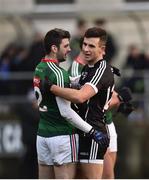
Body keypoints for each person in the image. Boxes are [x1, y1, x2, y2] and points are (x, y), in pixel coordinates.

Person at [33, 28, 109, 179]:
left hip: (42, 135)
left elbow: (66, 83)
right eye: (66, 46)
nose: (69, 49)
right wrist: (92, 131)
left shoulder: (40, 67)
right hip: (61, 136)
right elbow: (66, 112)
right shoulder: (59, 73)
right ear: (54, 48)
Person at [69, 52, 133, 179]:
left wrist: (119, 103)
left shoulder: (100, 66)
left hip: (107, 124)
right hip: (94, 127)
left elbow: (104, 91)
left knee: (109, 174)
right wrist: (119, 98)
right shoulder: (78, 69)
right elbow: (88, 104)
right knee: (104, 175)